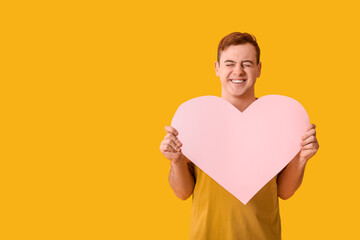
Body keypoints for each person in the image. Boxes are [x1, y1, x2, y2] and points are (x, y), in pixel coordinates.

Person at [159, 32, 319, 240]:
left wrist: (302, 158)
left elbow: (284, 192)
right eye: (229, 63)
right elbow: (182, 193)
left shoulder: (278, 119)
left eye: (247, 64)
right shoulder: (195, 118)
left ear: (258, 69)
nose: (238, 71)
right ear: (216, 68)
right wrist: (176, 160)